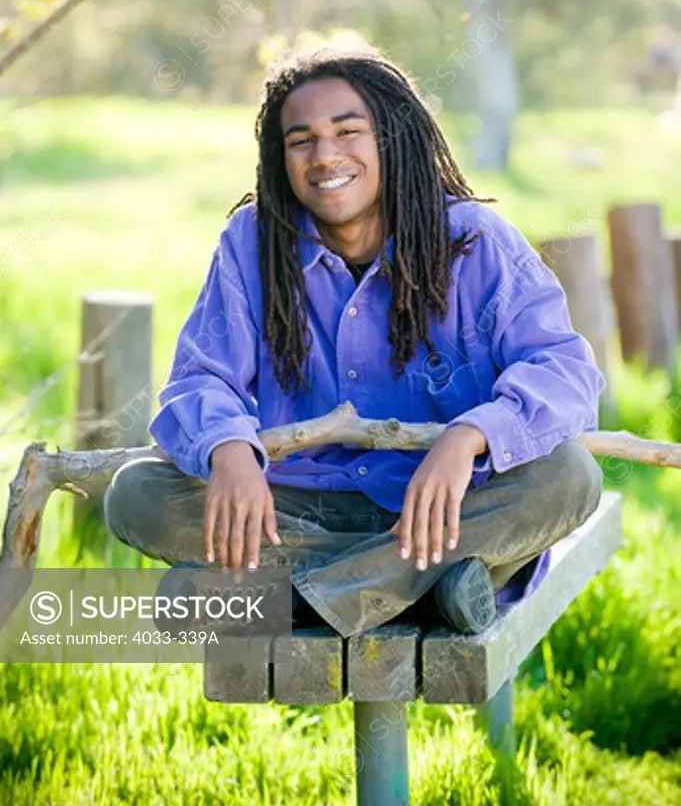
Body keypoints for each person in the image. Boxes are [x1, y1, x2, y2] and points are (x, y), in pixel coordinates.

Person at [103, 44, 605, 638]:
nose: (324, 156)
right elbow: (200, 377)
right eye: (301, 140)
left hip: (447, 510)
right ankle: (423, 590)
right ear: (280, 158)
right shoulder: (252, 243)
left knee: (570, 476)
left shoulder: (476, 240)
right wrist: (228, 448)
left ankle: (301, 600)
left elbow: (563, 368)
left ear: (390, 138)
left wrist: (471, 436)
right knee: (136, 493)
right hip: (292, 511)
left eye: (347, 131)